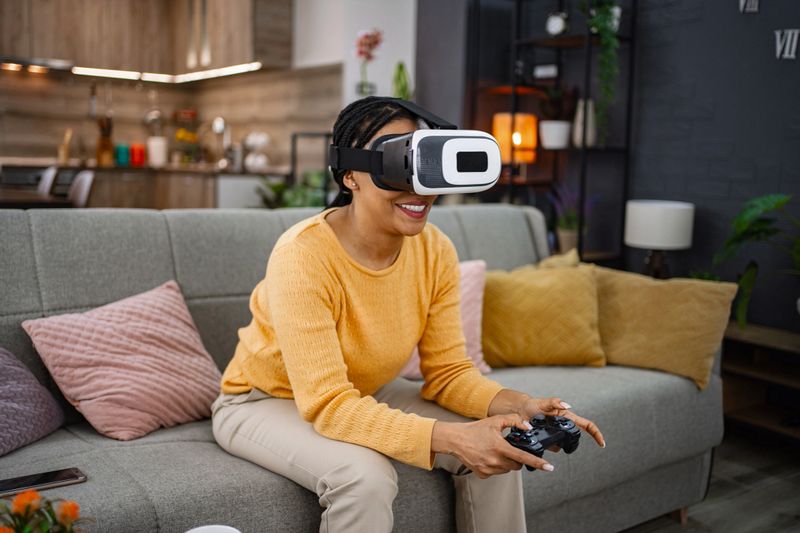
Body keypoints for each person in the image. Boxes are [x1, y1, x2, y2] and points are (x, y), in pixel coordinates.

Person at [211, 96, 606, 533]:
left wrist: (523, 405)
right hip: (264, 400)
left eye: (423, 166)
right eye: (396, 165)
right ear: (350, 176)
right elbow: (327, 404)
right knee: (364, 478)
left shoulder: (434, 250)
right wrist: (452, 439)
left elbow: (449, 372)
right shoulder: (303, 255)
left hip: (365, 388)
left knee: (502, 440)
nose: (417, 190)